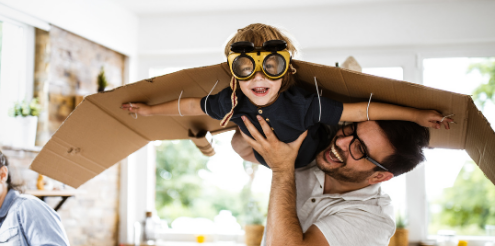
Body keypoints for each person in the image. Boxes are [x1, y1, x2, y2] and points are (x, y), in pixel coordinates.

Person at [121, 23, 452, 168]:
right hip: (264, 157)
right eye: (247, 67)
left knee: (247, 138)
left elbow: (362, 111)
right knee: (237, 143)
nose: (259, 77)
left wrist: (416, 115)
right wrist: (149, 111)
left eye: (272, 65)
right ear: (235, 70)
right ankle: (224, 145)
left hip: (307, 159)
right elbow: (191, 104)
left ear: (287, 71)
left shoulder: (305, 105)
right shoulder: (233, 99)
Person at [235, 115, 430, 246]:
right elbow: (243, 148)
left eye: (359, 149)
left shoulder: (374, 218)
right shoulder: (313, 157)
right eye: (351, 129)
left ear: (378, 176)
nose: (341, 142)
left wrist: (282, 167)